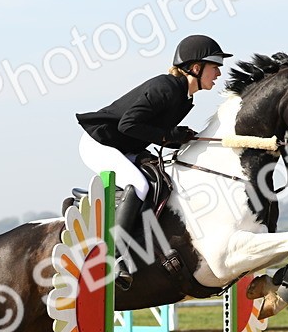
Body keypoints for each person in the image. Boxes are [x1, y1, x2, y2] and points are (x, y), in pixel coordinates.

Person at [74, 34, 232, 288]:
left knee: (162, 180)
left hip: (125, 146)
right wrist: (169, 136)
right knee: (140, 185)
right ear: (195, 67)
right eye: (215, 68)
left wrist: (177, 137)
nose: (218, 74)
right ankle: (114, 257)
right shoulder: (167, 88)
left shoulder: (184, 96)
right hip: (99, 143)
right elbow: (128, 124)